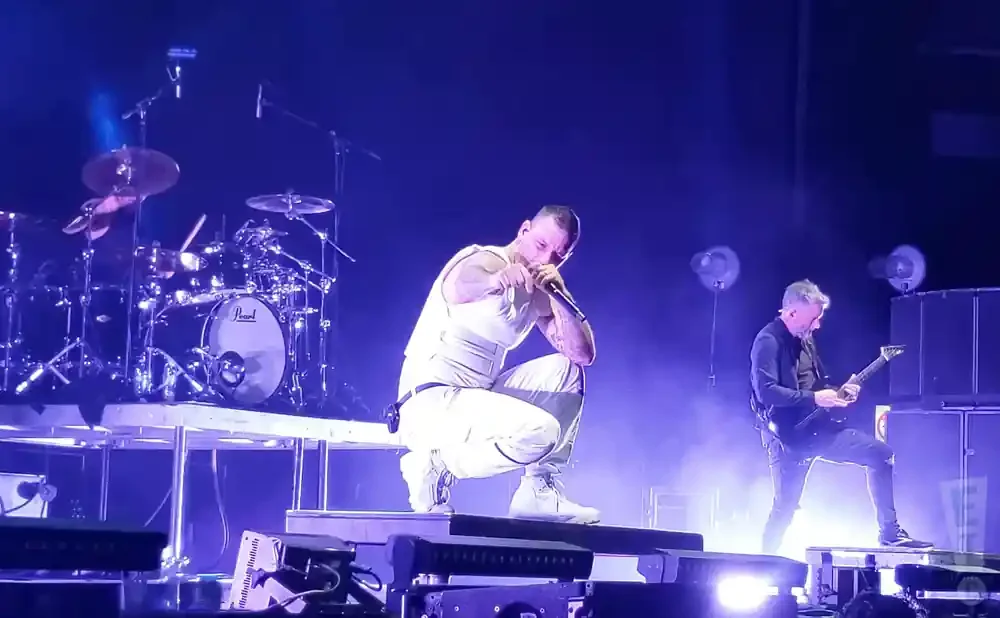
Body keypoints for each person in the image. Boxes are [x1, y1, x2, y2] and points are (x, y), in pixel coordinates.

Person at [393, 205, 599, 523]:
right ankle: (437, 465)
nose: (546, 260)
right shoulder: (484, 259)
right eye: (541, 245)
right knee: (542, 432)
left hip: (476, 397)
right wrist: (497, 280)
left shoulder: (542, 291)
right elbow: (459, 286)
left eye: (558, 256)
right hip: (431, 401)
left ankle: (537, 492)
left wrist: (560, 295)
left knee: (566, 371)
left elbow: (582, 354)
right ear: (524, 230)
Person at [750, 280, 931, 553]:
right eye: (814, 318)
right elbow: (766, 393)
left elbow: (818, 384)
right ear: (792, 312)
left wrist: (838, 391)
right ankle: (763, 565)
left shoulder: (806, 340)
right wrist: (815, 398)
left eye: (820, 318)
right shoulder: (768, 341)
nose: (818, 325)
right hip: (788, 439)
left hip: (819, 431)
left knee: (881, 455)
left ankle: (890, 533)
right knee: (785, 508)